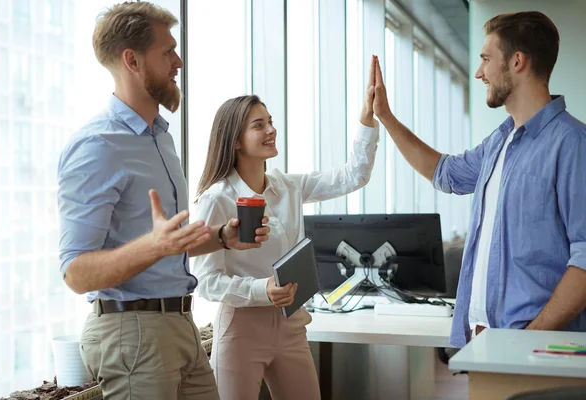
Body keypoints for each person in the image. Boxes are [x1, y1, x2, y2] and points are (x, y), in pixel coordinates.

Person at [56, 2, 270, 399]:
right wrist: (152, 246)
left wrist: (222, 236)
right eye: (167, 51)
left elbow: (169, 245)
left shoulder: (161, 138)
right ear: (132, 60)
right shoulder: (96, 145)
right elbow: (75, 272)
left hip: (179, 323)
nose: (179, 62)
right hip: (133, 334)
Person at [371, 10, 586, 348]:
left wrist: (527, 340)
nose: (478, 72)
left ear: (517, 62)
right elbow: (444, 172)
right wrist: (385, 116)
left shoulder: (574, 144)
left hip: (539, 349)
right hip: (484, 339)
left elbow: (585, 260)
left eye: (486, 59)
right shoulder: (499, 143)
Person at [191, 57, 381, 399]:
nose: (270, 130)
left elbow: (354, 175)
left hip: (292, 323)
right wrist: (261, 289)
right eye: (258, 125)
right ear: (235, 140)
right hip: (241, 329)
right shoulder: (216, 199)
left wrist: (367, 118)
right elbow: (206, 282)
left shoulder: (288, 187)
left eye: (271, 122)